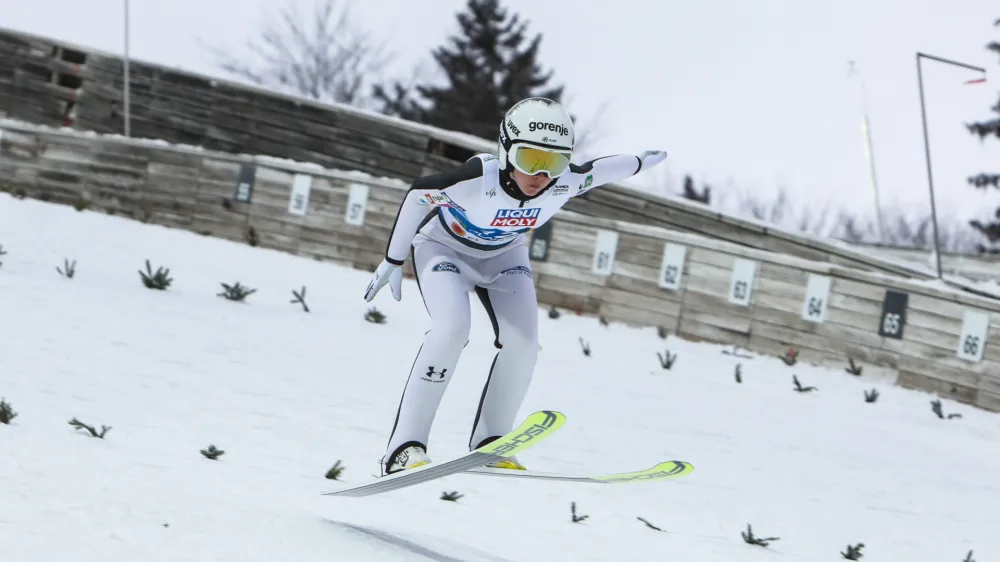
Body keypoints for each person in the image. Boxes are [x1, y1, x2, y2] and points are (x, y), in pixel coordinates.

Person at [364, 97, 667, 475]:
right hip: (444, 249)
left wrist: (640, 162)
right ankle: (405, 447)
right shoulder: (478, 178)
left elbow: (604, 169)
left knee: (524, 344)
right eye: (530, 159)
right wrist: (393, 259)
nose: (541, 175)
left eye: (553, 163)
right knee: (451, 330)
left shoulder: (564, 184)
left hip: (505, 256)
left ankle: (491, 442)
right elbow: (418, 194)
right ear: (506, 151)